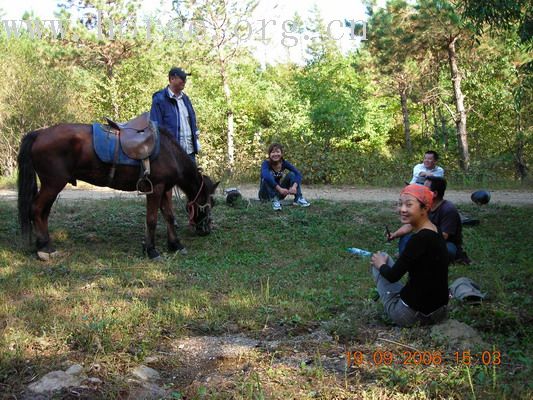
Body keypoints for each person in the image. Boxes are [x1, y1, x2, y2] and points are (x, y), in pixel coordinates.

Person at [370, 184, 449, 327]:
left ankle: (398, 311)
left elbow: (393, 276)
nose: (402, 209)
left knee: (380, 258)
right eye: (400, 204)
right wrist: (395, 234)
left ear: (425, 209)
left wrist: (380, 264)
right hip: (439, 311)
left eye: (409, 205)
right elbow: (410, 226)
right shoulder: (436, 230)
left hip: (413, 316)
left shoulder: (419, 240)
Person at [388, 176, 471, 264]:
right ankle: (410, 257)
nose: (422, 191)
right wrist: (394, 235)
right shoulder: (425, 206)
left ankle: (413, 256)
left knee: (448, 251)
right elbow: (410, 225)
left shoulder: (448, 209)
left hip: (445, 243)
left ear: (434, 193)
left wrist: (422, 238)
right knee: (407, 237)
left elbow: (444, 236)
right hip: (428, 240)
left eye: (425, 189)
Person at [150, 67, 199, 163]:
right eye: (181, 77)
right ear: (172, 79)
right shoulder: (159, 99)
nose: (184, 81)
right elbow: (155, 127)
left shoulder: (185, 99)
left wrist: (196, 138)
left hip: (190, 151)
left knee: (191, 178)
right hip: (172, 154)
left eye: (185, 78)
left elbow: (192, 120)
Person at [258, 143, 310, 211]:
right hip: (265, 194)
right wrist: (280, 189)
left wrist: (294, 187)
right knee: (268, 175)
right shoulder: (266, 163)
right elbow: (266, 176)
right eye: (273, 152)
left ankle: (298, 198)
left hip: (279, 194)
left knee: (292, 174)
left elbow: (298, 174)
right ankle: (273, 200)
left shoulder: (284, 163)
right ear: (269, 154)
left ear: (281, 153)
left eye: (278, 152)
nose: (275, 154)